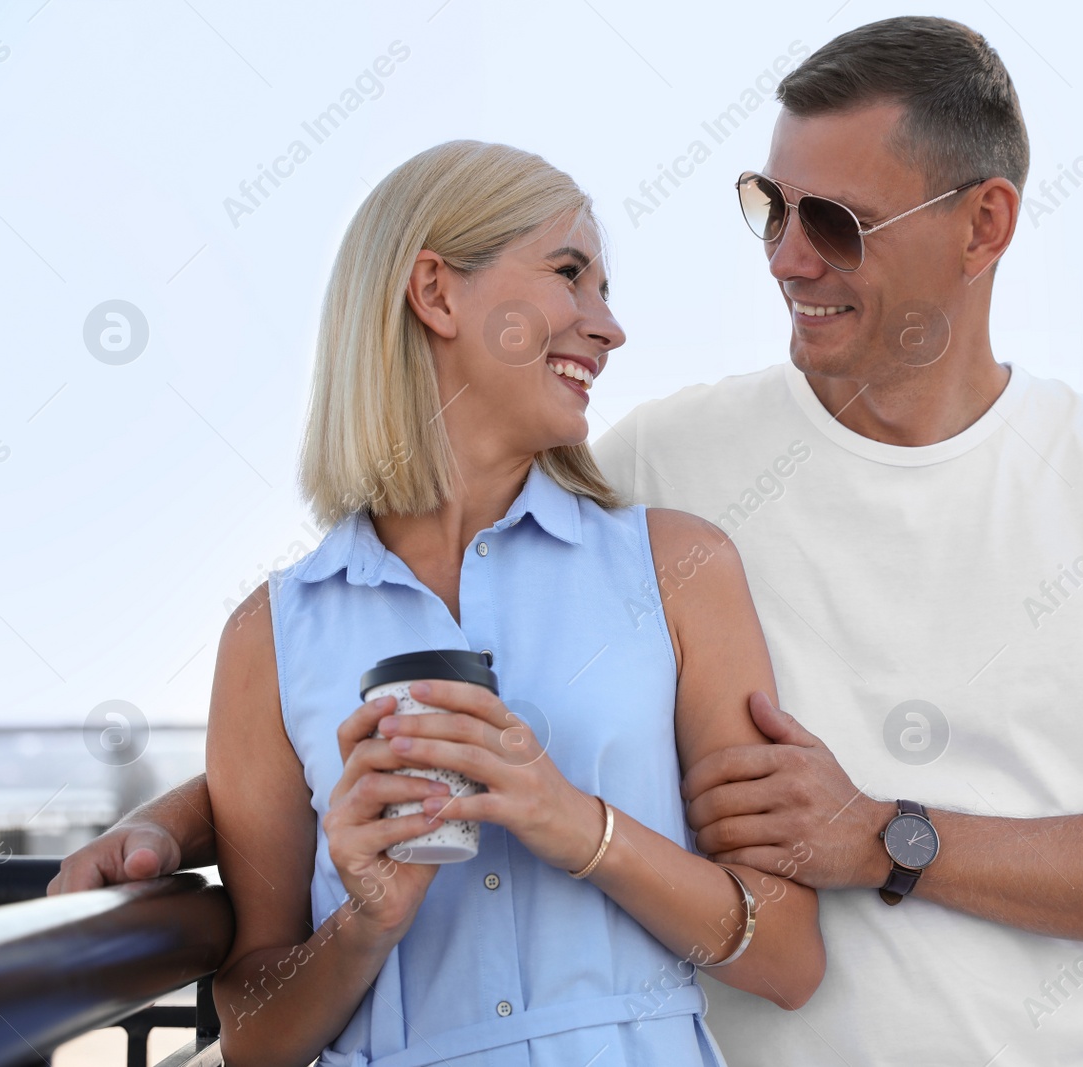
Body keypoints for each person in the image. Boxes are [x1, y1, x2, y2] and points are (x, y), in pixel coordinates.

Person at [53, 16, 1083, 1065]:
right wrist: (183, 818)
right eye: (769, 208)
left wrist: (886, 839)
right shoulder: (651, 471)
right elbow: (394, 636)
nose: (789, 258)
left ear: (982, 223)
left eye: (835, 221)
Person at [87, 138, 825, 1066]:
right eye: (572, 274)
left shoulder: (679, 568)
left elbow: (791, 955)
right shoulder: (271, 635)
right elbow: (255, 1038)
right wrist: (365, 920)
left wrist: (576, 824)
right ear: (436, 293)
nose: (609, 326)